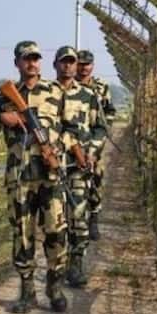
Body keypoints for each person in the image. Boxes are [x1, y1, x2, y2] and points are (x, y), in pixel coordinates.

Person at [0, 41, 71, 313]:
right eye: (26, 58)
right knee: (23, 235)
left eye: (35, 58)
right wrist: (1, 118)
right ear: (17, 63)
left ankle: (54, 287)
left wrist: (57, 148)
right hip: (20, 177)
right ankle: (27, 292)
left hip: (50, 175)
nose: (32, 63)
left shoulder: (55, 91)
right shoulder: (6, 95)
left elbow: (72, 128)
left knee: (56, 232)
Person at [51, 46, 106, 288]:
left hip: (78, 166)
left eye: (72, 62)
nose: (68, 66)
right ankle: (56, 266)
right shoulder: (46, 93)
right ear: (55, 64)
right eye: (64, 62)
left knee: (78, 215)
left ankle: (76, 265)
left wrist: (91, 151)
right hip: (51, 166)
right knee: (54, 221)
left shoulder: (87, 95)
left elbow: (100, 128)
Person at [75, 50, 116, 241]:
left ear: (92, 66)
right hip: (73, 139)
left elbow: (110, 111)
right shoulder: (68, 85)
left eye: (87, 64)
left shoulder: (101, 87)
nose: (84, 68)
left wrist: (104, 129)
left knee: (95, 177)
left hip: (94, 139)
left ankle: (93, 216)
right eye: (80, 64)